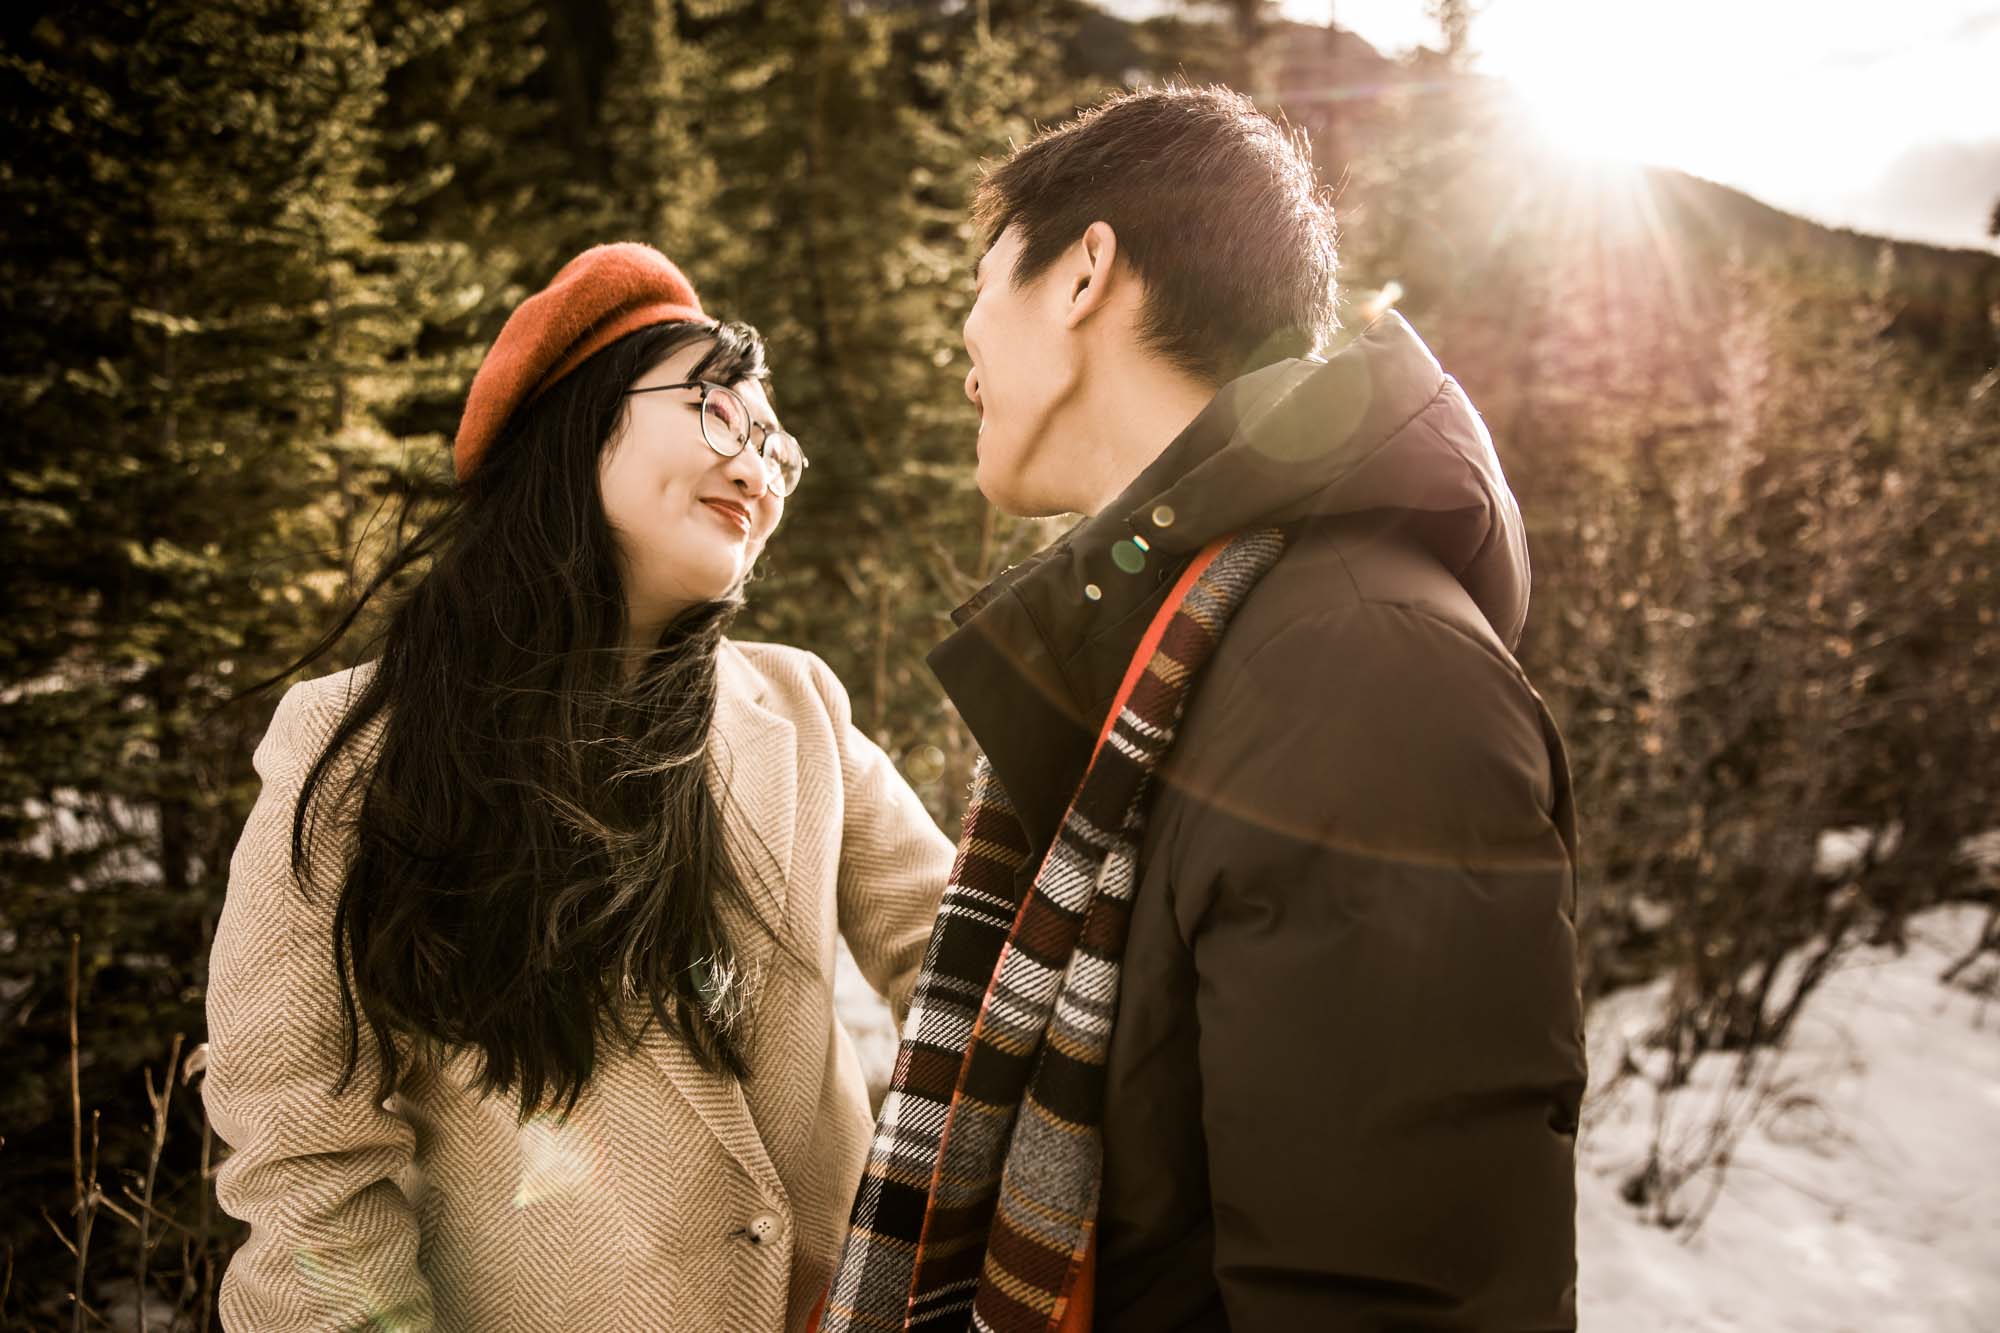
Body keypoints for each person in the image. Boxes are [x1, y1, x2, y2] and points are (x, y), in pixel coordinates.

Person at [827, 85, 1586, 1331]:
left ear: (1083, 276)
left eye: (979, 284)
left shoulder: (1359, 673)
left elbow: (1386, 1299)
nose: (959, 348)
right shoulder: (1196, 655)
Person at [203, 242, 954, 1332]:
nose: (756, 471)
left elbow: (964, 957)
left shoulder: (800, 711)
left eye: (774, 446)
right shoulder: (357, 747)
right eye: (714, 410)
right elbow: (301, 1160)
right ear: (574, 419)